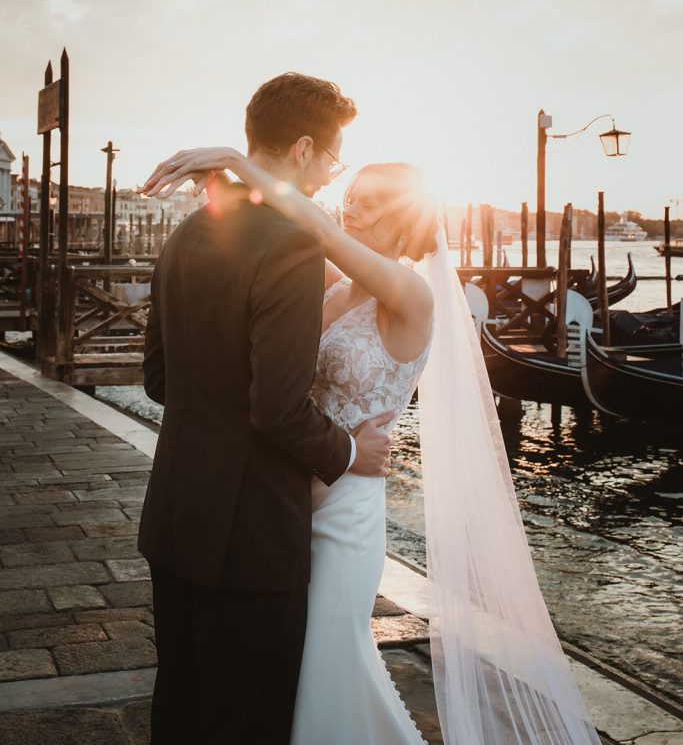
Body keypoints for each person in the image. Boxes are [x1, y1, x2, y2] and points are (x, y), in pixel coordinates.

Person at [144, 138, 605, 745]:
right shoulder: (337, 287)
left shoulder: (413, 293)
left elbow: (316, 229)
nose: (347, 212)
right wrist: (223, 191)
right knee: (278, 667)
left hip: (346, 504)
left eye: (365, 204)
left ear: (402, 214)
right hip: (286, 493)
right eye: (347, 199)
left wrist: (236, 158)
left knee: (327, 665)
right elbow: (272, 274)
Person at [137, 73, 395, 745]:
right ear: (306, 148)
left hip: (174, 517)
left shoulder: (190, 231)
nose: (327, 181)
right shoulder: (289, 244)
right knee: (250, 719)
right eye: (330, 162)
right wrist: (347, 451)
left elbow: (158, 381)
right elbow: (277, 411)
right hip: (249, 539)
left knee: (183, 706)